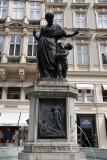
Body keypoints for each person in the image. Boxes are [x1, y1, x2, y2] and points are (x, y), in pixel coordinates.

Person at [33, 12, 79, 78]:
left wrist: (73, 34)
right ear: (47, 20)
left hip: (52, 45)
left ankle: (54, 76)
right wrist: (34, 35)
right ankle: (46, 75)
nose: (51, 20)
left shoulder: (56, 26)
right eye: (49, 19)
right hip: (42, 45)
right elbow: (39, 38)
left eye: (51, 18)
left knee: (53, 60)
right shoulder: (43, 28)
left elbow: (65, 35)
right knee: (43, 62)